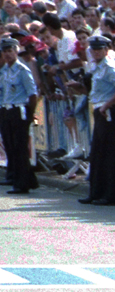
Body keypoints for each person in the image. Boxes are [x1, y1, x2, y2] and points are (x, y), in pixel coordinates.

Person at [76, 35, 115, 206]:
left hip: (107, 111)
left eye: (100, 49)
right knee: (97, 154)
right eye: (94, 49)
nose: (96, 52)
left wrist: (107, 105)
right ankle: (96, 192)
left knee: (107, 154)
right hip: (99, 109)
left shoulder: (109, 67)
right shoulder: (97, 67)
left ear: (106, 50)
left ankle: (110, 195)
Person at [0, 37, 39, 194]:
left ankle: (22, 184)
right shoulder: (5, 71)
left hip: (20, 109)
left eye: (10, 51)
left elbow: (32, 94)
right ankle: (22, 178)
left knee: (20, 147)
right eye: (5, 51)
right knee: (10, 145)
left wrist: (30, 112)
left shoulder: (22, 70)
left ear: (16, 51)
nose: (8, 54)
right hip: (7, 109)